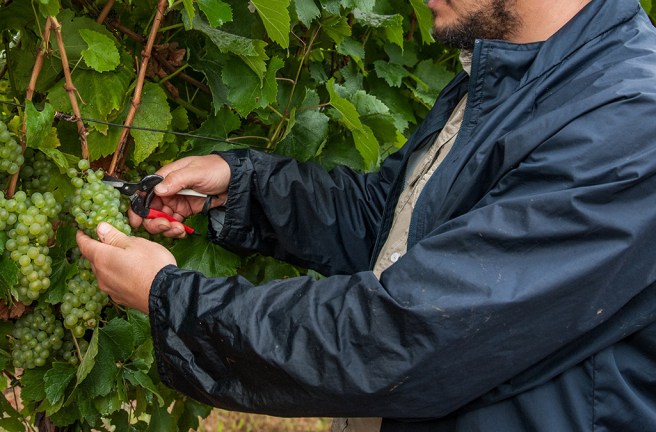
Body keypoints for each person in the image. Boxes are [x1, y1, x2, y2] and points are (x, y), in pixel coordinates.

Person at [76, 0, 656, 430]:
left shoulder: (628, 125)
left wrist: (171, 299)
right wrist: (241, 186)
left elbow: (405, 334)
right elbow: (392, 223)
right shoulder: (507, 77)